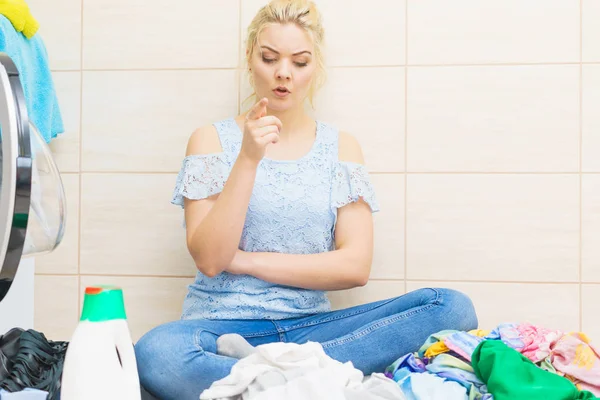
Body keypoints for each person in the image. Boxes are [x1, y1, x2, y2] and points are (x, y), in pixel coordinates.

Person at [134, 1, 478, 399]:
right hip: (221, 328)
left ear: (316, 68)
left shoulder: (341, 147)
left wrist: (244, 260)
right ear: (250, 59)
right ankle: (306, 381)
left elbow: (354, 266)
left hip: (313, 331)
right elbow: (211, 259)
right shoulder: (210, 140)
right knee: (158, 352)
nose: (283, 73)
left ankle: (268, 378)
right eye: (269, 58)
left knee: (451, 307)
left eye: (299, 62)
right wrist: (248, 157)